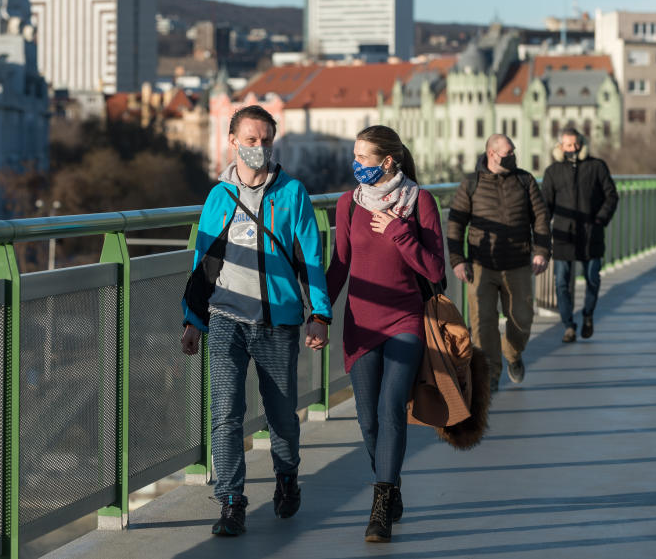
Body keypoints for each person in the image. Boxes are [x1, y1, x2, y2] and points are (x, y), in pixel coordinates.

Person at [180, 104, 332, 537]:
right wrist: (192, 320)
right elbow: (204, 262)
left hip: (277, 322)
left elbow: (310, 260)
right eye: (250, 140)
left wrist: (319, 313)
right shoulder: (218, 197)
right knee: (225, 412)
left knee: (281, 415)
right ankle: (231, 501)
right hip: (225, 318)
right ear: (232, 142)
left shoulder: (293, 194)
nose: (258, 148)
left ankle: (287, 473)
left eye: (265, 140)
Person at [326, 125, 445, 543]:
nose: (356, 165)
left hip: (404, 321)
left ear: (389, 161)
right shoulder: (348, 204)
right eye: (355, 157)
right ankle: (391, 483)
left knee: (391, 408)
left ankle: (379, 508)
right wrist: (319, 314)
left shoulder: (419, 202)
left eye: (364, 158)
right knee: (367, 418)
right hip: (360, 323)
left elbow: (435, 271)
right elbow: (340, 265)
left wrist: (398, 232)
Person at [447, 134, 551, 392]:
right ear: (492, 154)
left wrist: (541, 251)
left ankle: (513, 354)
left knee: (522, 318)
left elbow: (540, 217)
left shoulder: (525, 180)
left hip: (518, 263)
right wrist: (458, 260)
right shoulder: (471, 183)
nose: (513, 156)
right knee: (483, 323)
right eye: (508, 153)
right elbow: (456, 223)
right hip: (481, 265)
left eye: (514, 151)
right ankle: (490, 375)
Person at [541, 128, 619, 342]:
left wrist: (600, 219)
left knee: (593, 278)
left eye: (576, 144)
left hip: (591, 232)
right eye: (568, 145)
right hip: (564, 235)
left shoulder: (597, 166)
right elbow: (545, 205)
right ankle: (568, 326)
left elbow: (611, 195)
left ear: (582, 144)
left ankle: (587, 316)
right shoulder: (552, 171)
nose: (573, 149)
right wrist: (541, 232)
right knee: (561, 283)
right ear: (560, 147)